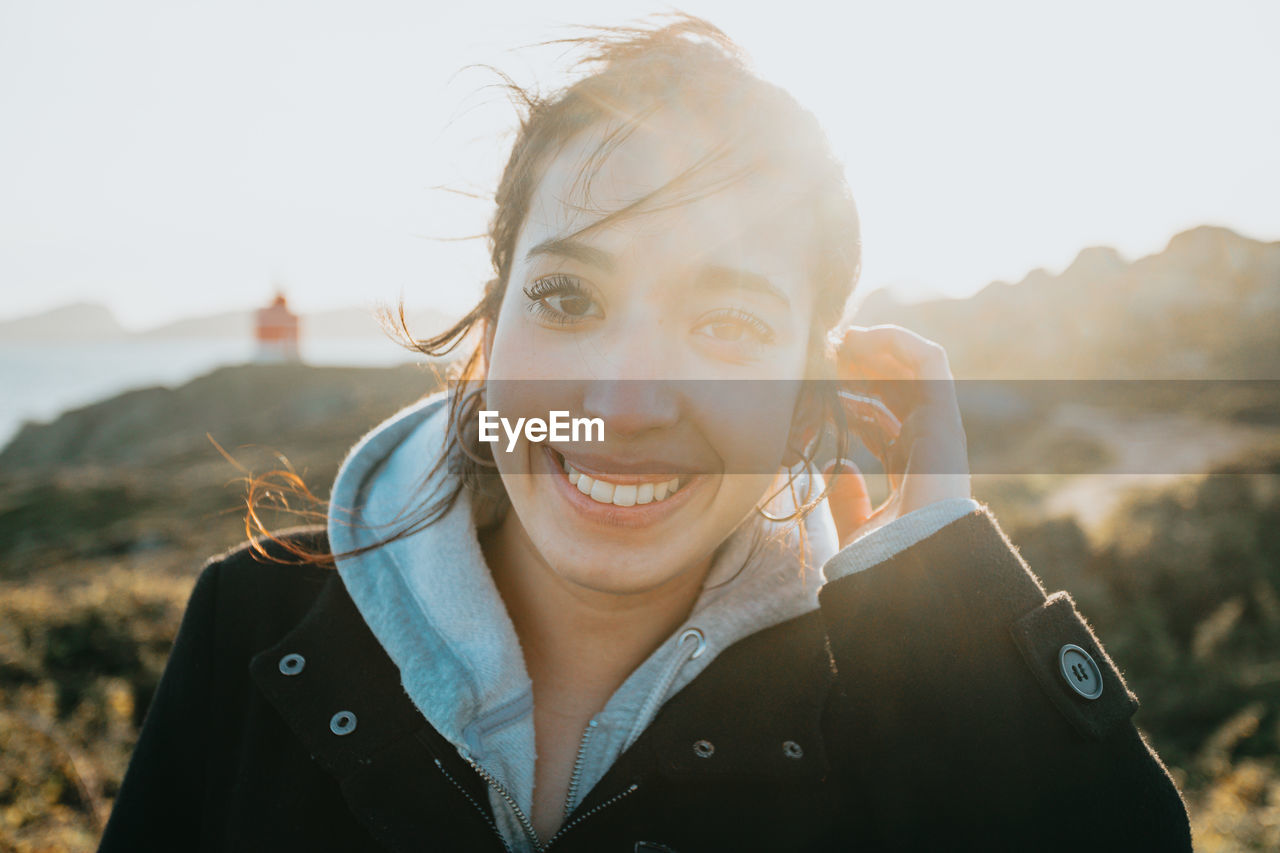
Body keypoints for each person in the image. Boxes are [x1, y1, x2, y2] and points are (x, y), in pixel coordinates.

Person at [99, 15, 1192, 852]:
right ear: (487, 328)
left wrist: (945, 598)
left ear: (811, 392)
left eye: (727, 323)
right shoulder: (248, 621)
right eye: (568, 299)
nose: (623, 405)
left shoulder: (901, 699)